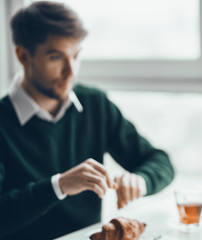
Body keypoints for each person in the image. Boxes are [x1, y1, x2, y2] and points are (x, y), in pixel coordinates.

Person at [0, 1, 174, 239]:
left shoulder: (95, 104)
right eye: (56, 57)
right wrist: (58, 186)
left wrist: (140, 181)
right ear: (23, 56)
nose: (70, 71)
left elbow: (159, 161)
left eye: (76, 55)